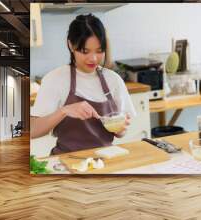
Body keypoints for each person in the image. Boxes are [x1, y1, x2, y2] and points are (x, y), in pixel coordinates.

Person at [31, 14, 136, 155]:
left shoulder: (113, 80)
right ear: (71, 45)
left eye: (99, 51)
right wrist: (64, 111)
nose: (93, 58)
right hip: (66, 161)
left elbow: (121, 133)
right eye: (85, 51)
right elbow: (32, 131)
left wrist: (120, 128)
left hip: (105, 160)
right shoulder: (55, 79)